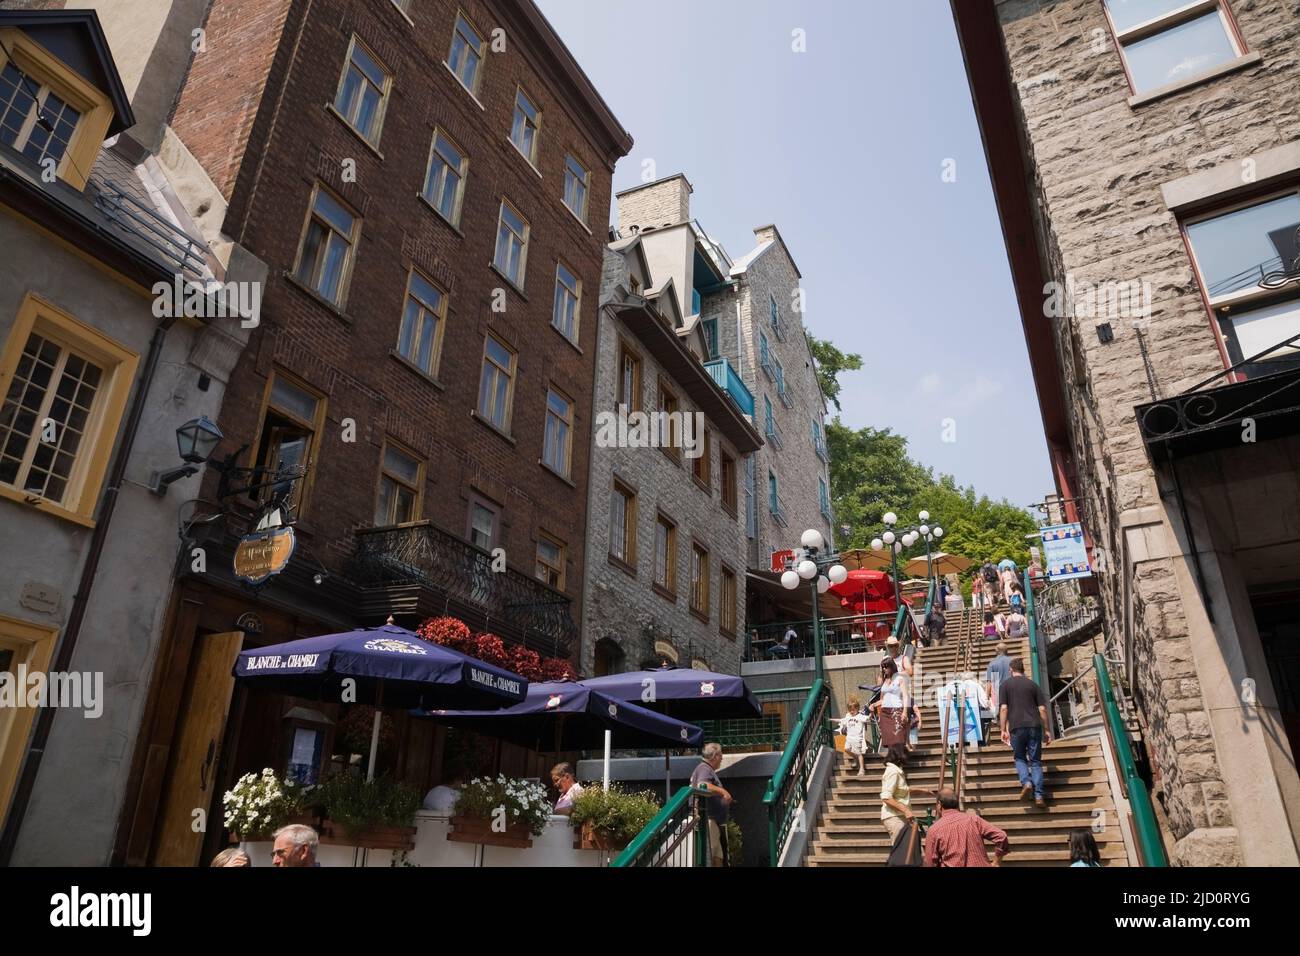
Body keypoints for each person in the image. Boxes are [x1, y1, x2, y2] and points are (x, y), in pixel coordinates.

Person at [999, 657, 1052, 808]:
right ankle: (1039, 795)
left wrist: (1003, 729)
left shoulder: (1005, 685)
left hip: (1016, 726)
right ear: (1023, 670)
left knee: (1020, 758)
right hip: (1034, 726)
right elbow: (1042, 709)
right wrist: (1047, 730)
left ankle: (1027, 782)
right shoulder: (1033, 685)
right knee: (1035, 761)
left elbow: (1004, 708)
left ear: (1011, 670)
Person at [923, 786, 1010, 867]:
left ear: (939, 804)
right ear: (957, 802)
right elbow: (1001, 836)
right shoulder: (974, 820)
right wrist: (996, 862)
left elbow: (930, 863)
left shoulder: (934, 830)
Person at [879, 743, 933, 845]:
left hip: (899, 816)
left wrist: (922, 790)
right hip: (894, 817)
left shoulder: (897, 771)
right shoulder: (893, 772)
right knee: (901, 850)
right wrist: (906, 810)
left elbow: (902, 790)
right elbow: (886, 797)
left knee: (908, 848)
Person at [690, 742, 733, 866]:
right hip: (708, 820)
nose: (722, 758)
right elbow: (702, 785)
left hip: (713, 821)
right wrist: (723, 791)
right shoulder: (704, 768)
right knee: (712, 856)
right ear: (714, 756)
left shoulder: (706, 769)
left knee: (718, 857)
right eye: (720, 755)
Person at [871, 658, 911, 750]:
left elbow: (905, 696)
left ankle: (900, 759)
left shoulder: (899, 678)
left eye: (886, 667)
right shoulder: (885, 681)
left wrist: (905, 712)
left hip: (896, 710)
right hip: (885, 712)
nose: (884, 669)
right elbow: (883, 699)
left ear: (891, 667)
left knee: (898, 738)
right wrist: (873, 705)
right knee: (889, 740)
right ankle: (893, 760)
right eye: (883, 667)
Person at [838, 694, 871, 777]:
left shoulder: (860, 716)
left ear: (857, 709)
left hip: (857, 738)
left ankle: (862, 769)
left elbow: (867, 718)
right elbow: (844, 722)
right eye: (850, 710)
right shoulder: (848, 715)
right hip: (849, 738)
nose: (852, 711)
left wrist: (871, 712)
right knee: (846, 749)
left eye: (853, 710)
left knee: (859, 753)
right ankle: (855, 758)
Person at [984, 642, 1014, 711]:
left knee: (1001, 713)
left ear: (996, 651)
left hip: (998, 693)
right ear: (1006, 651)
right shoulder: (1012, 661)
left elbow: (989, 682)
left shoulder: (992, 663)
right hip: (1013, 691)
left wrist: (987, 697)